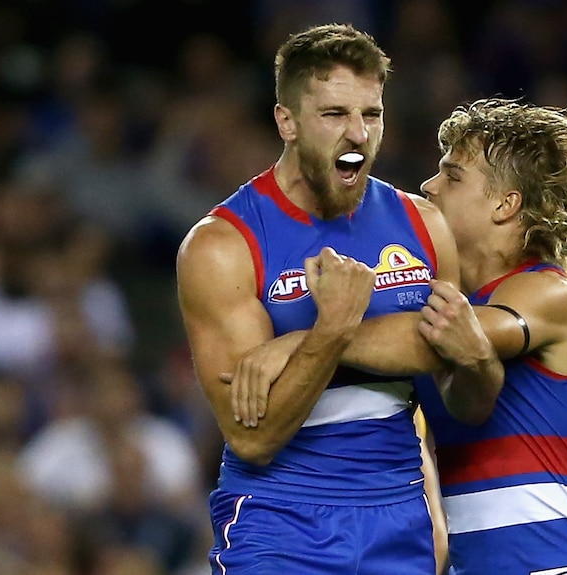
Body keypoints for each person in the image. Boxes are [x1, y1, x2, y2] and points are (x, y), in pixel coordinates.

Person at [175, 23, 491, 575]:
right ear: (287, 122)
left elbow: (447, 373)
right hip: (278, 523)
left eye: (372, 114)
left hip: (400, 520)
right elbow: (256, 437)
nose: (358, 135)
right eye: (334, 115)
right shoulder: (223, 245)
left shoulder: (424, 224)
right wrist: (331, 330)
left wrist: (434, 505)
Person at [411, 97, 567, 574]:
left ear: (506, 204)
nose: (428, 186)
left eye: (452, 175)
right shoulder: (445, 304)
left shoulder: (551, 293)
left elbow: (460, 332)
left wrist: (322, 330)